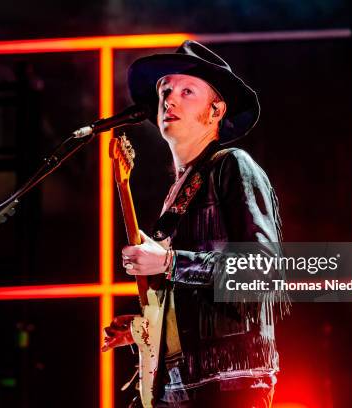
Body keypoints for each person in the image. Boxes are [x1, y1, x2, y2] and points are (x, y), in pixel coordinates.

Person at [102, 40, 286, 407]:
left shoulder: (233, 166)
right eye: (165, 90)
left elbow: (265, 270)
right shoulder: (176, 193)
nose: (170, 99)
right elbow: (190, 296)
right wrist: (146, 327)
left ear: (216, 110)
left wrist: (170, 262)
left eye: (187, 91)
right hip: (177, 385)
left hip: (228, 383)